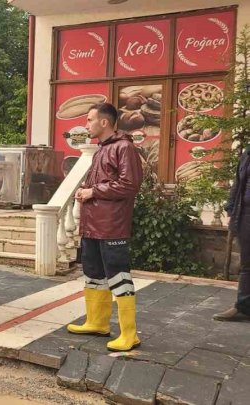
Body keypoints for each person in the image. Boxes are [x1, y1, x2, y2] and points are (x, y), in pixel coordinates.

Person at [66, 102, 143, 352]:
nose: (86, 124)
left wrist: (92, 191)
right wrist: (84, 192)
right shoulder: (101, 149)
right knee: (93, 275)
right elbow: (104, 183)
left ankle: (129, 334)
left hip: (112, 226)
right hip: (92, 225)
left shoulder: (124, 148)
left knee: (119, 276)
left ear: (104, 122)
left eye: (89, 120)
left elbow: (129, 185)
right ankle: (97, 322)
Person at [214, 146, 250, 322]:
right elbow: (238, 183)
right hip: (246, 214)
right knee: (247, 263)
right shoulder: (248, 152)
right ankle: (243, 306)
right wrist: (230, 209)